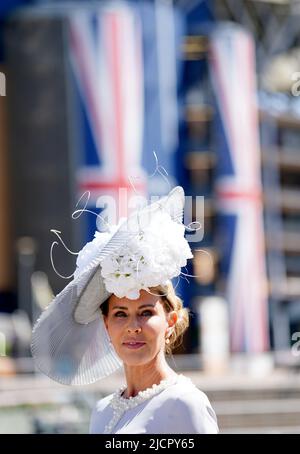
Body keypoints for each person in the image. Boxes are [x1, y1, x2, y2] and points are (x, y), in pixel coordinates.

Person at [31, 186, 219, 434]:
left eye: (146, 312)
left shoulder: (184, 403)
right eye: (120, 313)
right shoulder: (102, 410)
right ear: (106, 324)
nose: (133, 326)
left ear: (170, 321)